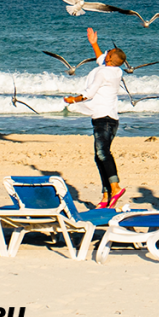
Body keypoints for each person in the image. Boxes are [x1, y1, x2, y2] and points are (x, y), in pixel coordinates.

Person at [63, 27, 127, 208]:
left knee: (102, 153)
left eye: (108, 52)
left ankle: (115, 187)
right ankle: (106, 196)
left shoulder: (103, 72)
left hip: (103, 118)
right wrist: (94, 44)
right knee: (100, 156)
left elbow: (89, 94)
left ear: (109, 59)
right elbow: (103, 60)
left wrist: (72, 100)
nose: (105, 53)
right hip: (112, 120)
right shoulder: (116, 71)